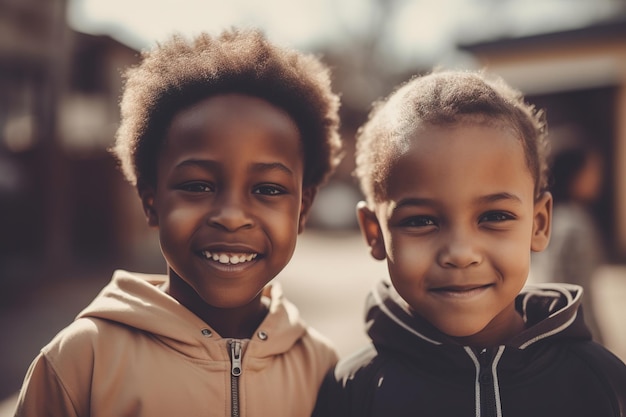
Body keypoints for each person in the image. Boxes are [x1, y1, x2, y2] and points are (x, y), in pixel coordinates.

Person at [15, 28, 342, 417]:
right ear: (151, 200)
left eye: (268, 190)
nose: (232, 216)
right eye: (198, 185)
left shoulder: (323, 369)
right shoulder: (82, 361)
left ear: (302, 209)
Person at [313, 70, 626, 417]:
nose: (461, 253)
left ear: (539, 224)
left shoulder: (603, 384)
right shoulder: (353, 391)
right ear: (374, 233)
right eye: (420, 221)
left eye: (494, 217)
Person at [531, 127, 607, 343]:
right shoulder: (575, 224)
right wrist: (597, 342)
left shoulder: (548, 218)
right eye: (592, 170)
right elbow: (582, 295)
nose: (596, 178)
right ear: (573, 174)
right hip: (576, 331)